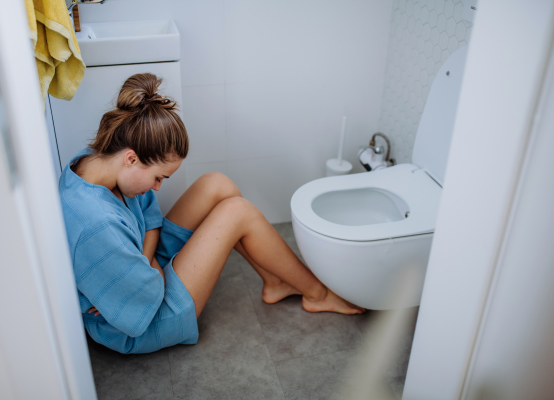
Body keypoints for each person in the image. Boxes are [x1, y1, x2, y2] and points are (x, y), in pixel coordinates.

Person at [59, 73, 365, 355]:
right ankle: (316, 293)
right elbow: (145, 300)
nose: (158, 188)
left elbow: (149, 217)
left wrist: (145, 260)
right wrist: (146, 267)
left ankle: (276, 281)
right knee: (238, 212)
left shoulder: (95, 160)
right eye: (158, 177)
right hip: (144, 321)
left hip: (145, 274)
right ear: (131, 158)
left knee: (218, 184)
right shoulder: (95, 225)